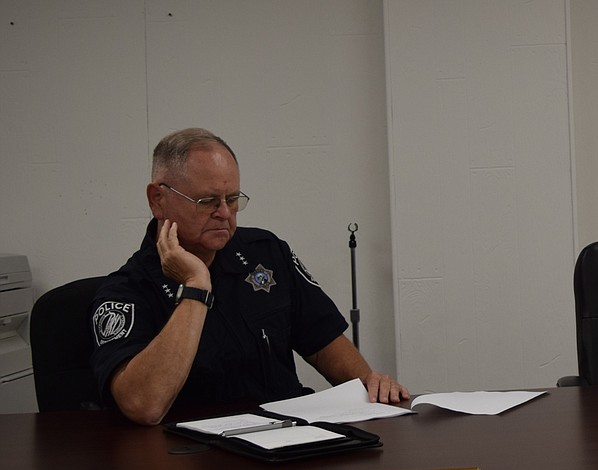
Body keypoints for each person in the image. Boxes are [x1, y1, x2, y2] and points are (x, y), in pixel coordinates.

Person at [90, 128, 408, 426]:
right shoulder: (126, 291)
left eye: (232, 199)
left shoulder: (266, 253)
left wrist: (368, 387)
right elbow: (144, 405)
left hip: (288, 434)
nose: (225, 214)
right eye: (208, 202)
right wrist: (196, 287)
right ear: (158, 200)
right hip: (195, 456)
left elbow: (322, 339)